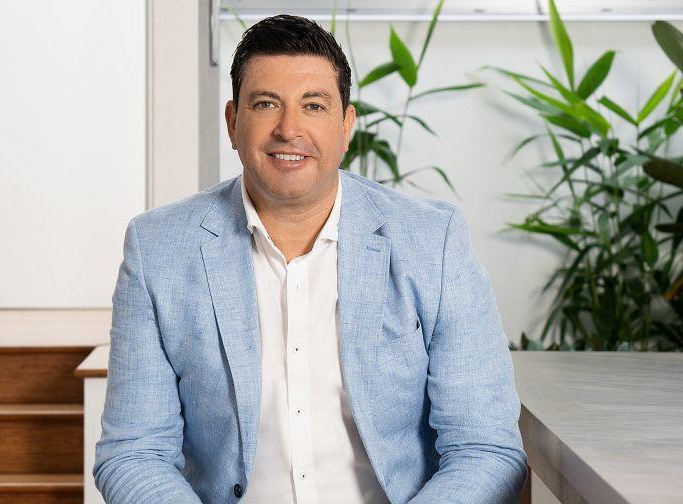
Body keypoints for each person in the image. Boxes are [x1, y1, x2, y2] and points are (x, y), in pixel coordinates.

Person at [93, 14, 527, 504]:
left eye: (313, 106)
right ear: (233, 123)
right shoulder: (158, 249)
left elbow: (484, 448)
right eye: (266, 104)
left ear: (346, 126)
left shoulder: (432, 242)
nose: (289, 129)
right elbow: (134, 452)